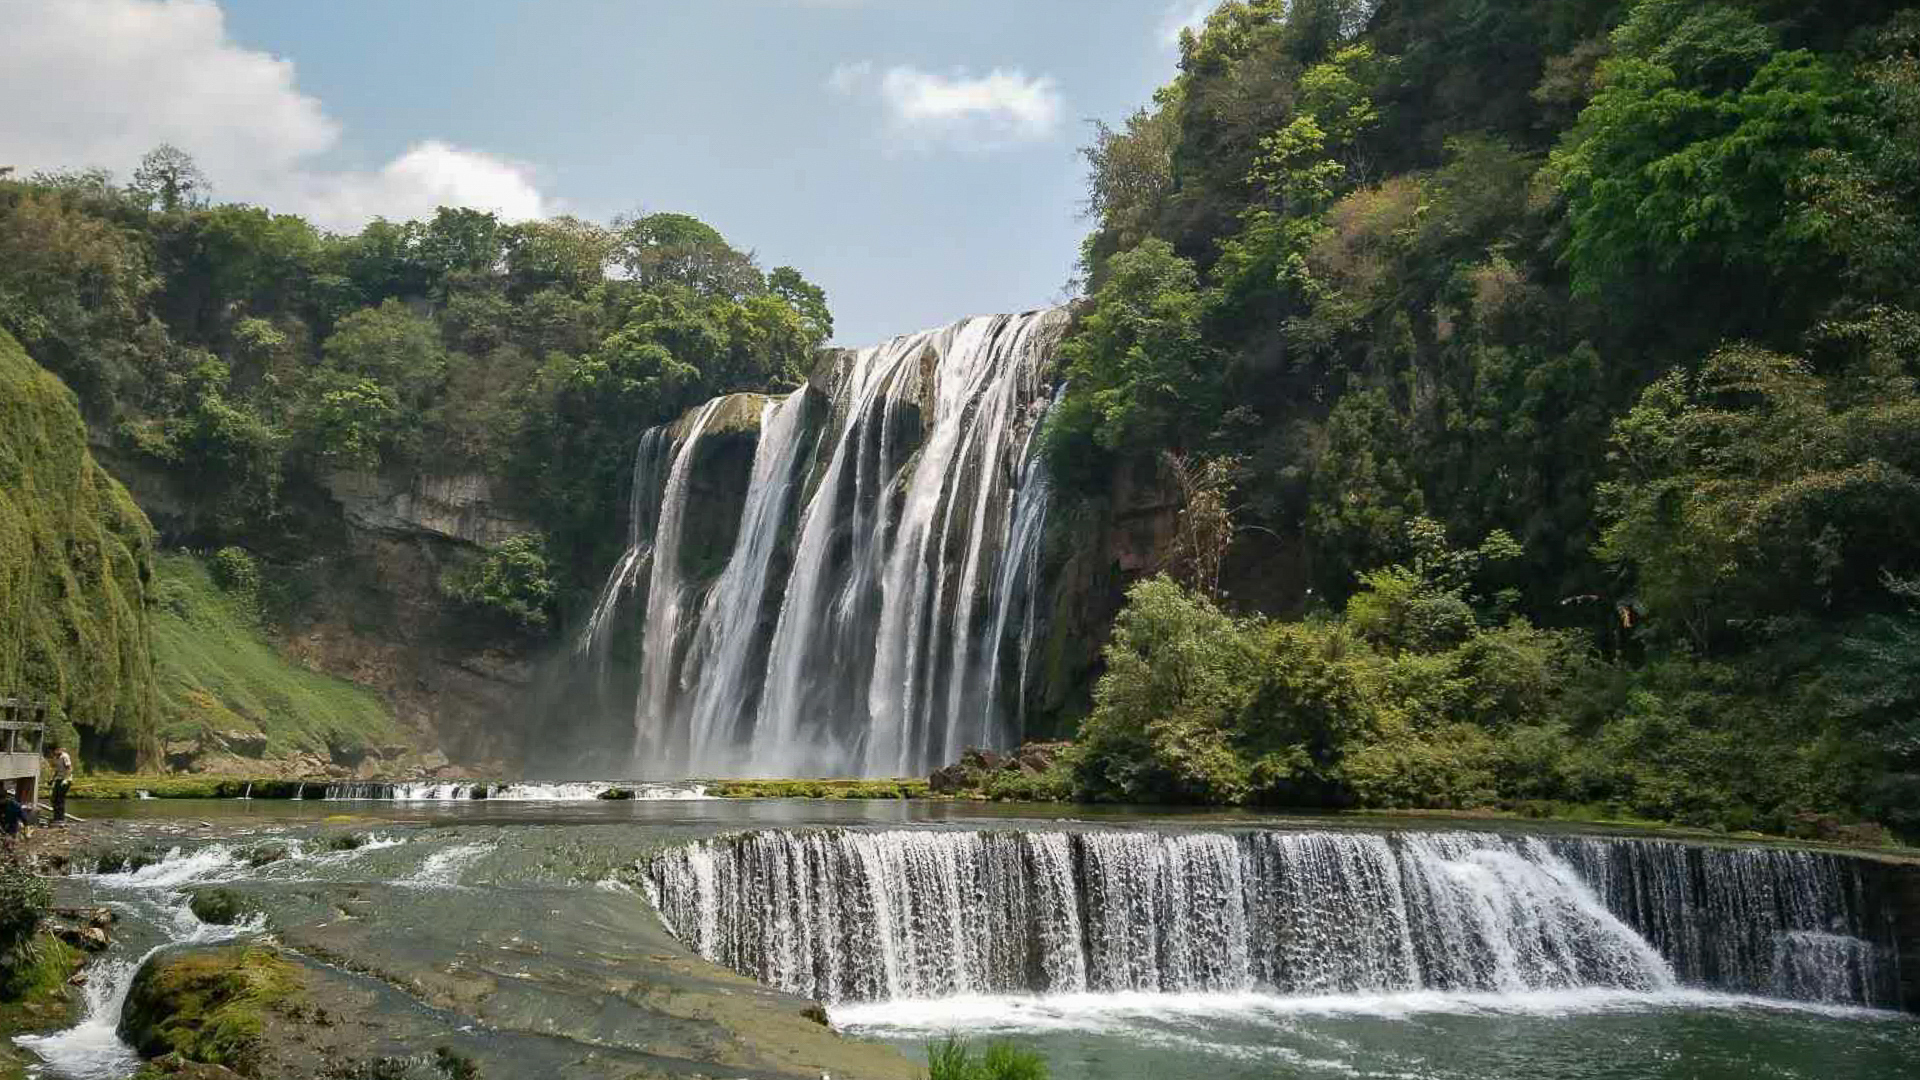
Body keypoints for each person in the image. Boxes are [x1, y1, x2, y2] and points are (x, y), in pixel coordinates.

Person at [47, 743, 71, 825]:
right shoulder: (55, 758)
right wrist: (52, 779)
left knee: (60, 799)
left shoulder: (65, 756)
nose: (53, 753)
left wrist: (66, 779)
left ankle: (60, 819)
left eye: (54, 751)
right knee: (54, 798)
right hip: (58, 779)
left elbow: (69, 768)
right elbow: (57, 770)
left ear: (57, 749)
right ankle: (56, 817)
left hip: (65, 779)